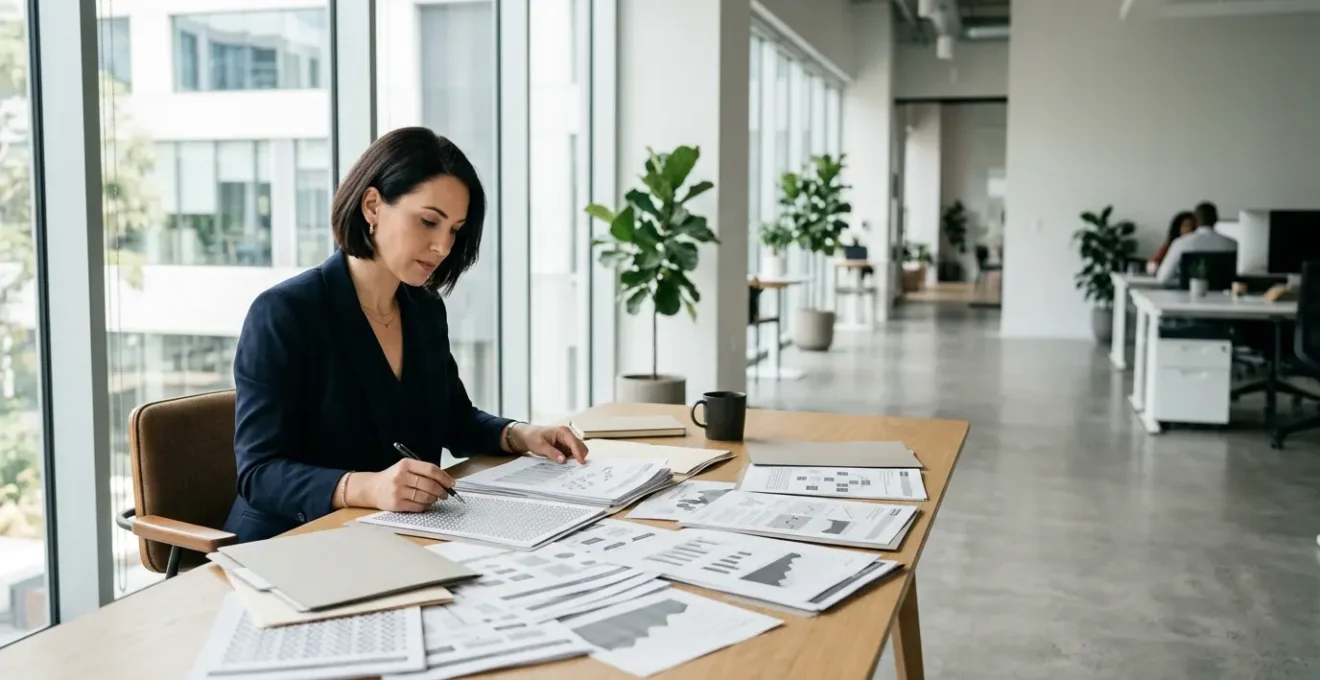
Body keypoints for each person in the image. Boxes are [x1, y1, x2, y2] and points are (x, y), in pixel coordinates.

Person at [223, 128, 588, 543]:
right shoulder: (285, 313)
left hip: (396, 537)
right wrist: (366, 487)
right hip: (294, 543)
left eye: (454, 230)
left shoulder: (423, 309)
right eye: (428, 222)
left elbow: (455, 420)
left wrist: (521, 433)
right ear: (373, 205)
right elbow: (259, 473)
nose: (442, 246)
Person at [1155, 201, 1237, 286]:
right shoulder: (1233, 245)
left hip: (1186, 297)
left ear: (1195, 220)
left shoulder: (1181, 243)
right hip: (1224, 297)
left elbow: (1163, 278)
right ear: (1216, 219)